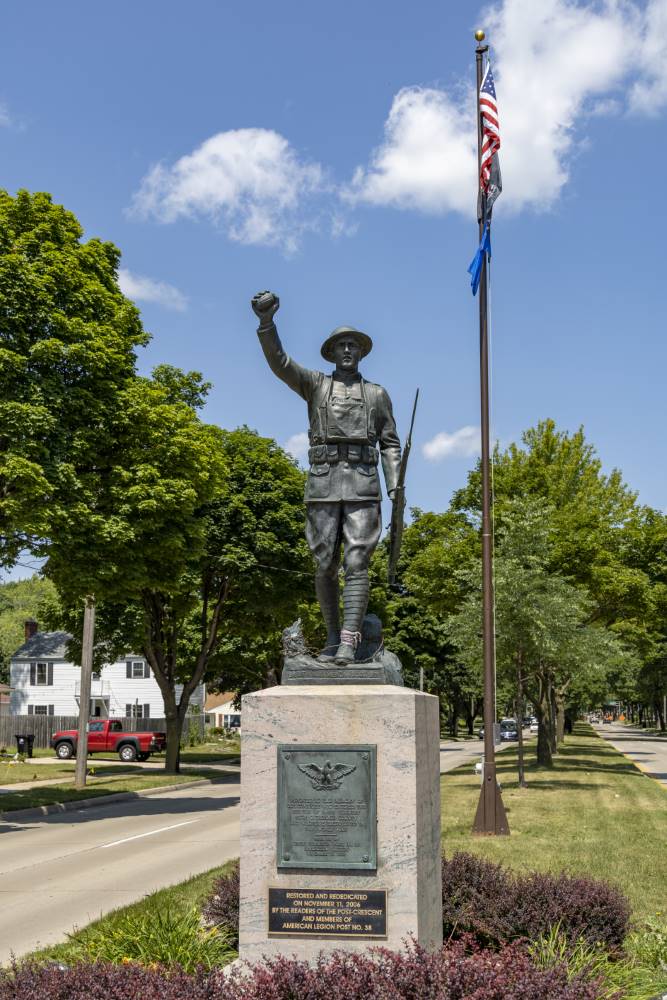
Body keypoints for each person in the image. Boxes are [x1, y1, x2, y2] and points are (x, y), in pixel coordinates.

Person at [251, 290, 401, 665]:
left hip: (364, 485)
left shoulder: (378, 394)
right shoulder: (316, 385)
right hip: (322, 481)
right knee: (323, 565)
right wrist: (266, 323)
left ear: (362, 352)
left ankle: (350, 641)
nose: (347, 350)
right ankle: (333, 636)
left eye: (353, 345)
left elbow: (390, 443)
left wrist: (395, 482)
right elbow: (281, 363)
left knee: (357, 563)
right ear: (332, 352)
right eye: (341, 345)